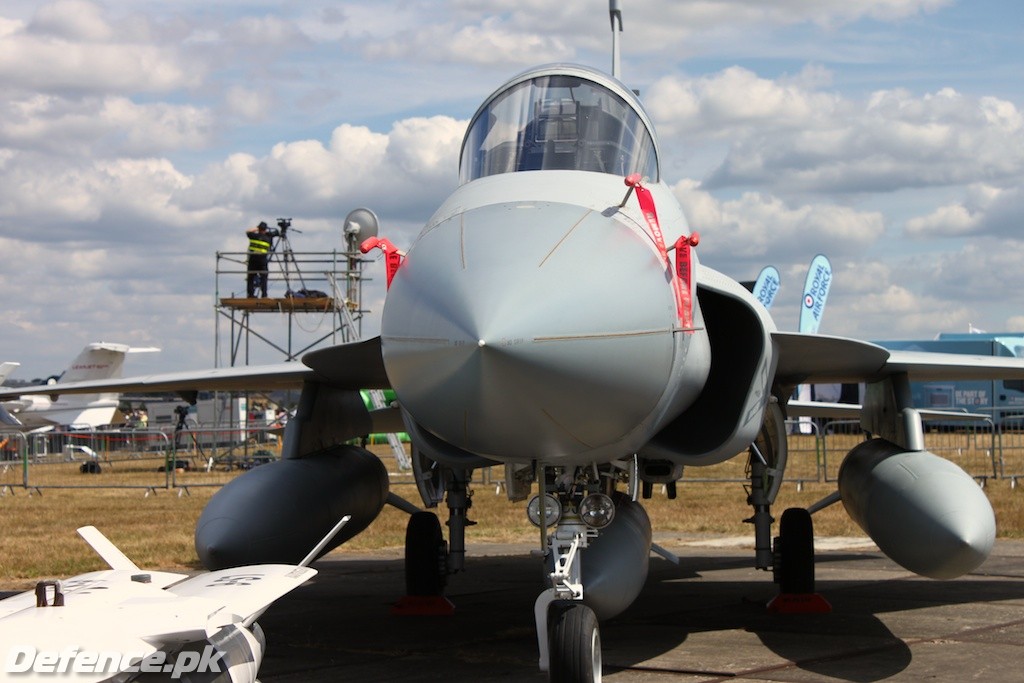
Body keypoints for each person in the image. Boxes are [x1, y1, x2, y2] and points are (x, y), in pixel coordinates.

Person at [246, 221, 277, 298]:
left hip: (253, 259)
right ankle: (264, 295)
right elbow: (276, 233)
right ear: (265, 229)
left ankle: (250, 294)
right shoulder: (268, 237)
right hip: (262, 260)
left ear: (259, 229)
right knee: (264, 277)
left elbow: (248, 231)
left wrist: (256, 229)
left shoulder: (253, 236)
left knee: (251, 277)